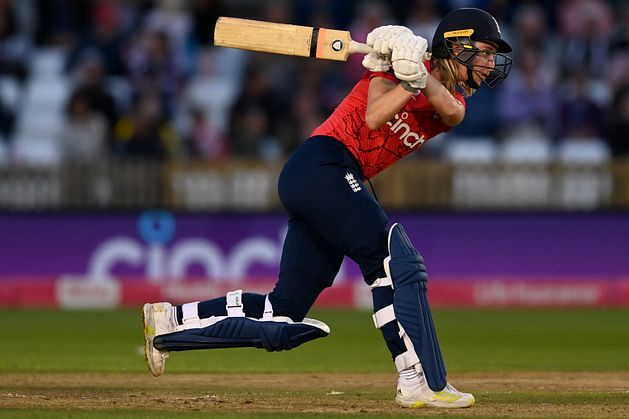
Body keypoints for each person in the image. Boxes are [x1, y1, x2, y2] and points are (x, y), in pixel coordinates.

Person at [142, 8, 512, 409]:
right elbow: (374, 117)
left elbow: (451, 110)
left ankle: (171, 322)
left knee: (282, 310)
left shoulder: (450, 101)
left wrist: (416, 77)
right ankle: (414, 381)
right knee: (389, 258)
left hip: (326, 179)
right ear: (457, 46)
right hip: (324, 164)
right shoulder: (394, 67)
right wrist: (403, 77)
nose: (491, 63)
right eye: (486, 51)